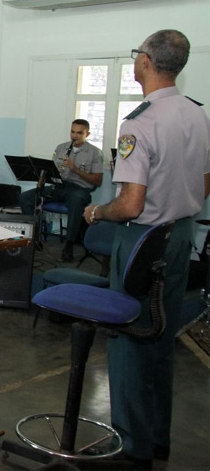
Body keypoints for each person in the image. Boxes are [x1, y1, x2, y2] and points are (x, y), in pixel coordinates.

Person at [82, 29, 210, 468]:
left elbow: (131, 203)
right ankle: (157, 440)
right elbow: (205, 183)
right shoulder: (198, 115)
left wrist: (98, 213)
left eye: (136, 54)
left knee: (130, 338)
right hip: (181, 235)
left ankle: (129, 449)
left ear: (146, 63)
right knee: (161, 337)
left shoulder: (140, 121)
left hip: (142, 240)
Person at [20, 119, 103, 261]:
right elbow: (51, 169)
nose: (75, 136)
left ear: (87, 134)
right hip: (59, 186)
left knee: (77, 202)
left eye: (79, 133)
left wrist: (75, 169)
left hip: (79, 189)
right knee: (26, 197)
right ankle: (34, 237)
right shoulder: (61, 148)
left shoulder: (94, 153)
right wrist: (49, 174)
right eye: (72, 132)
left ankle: (69, 245)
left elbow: (97, 181)